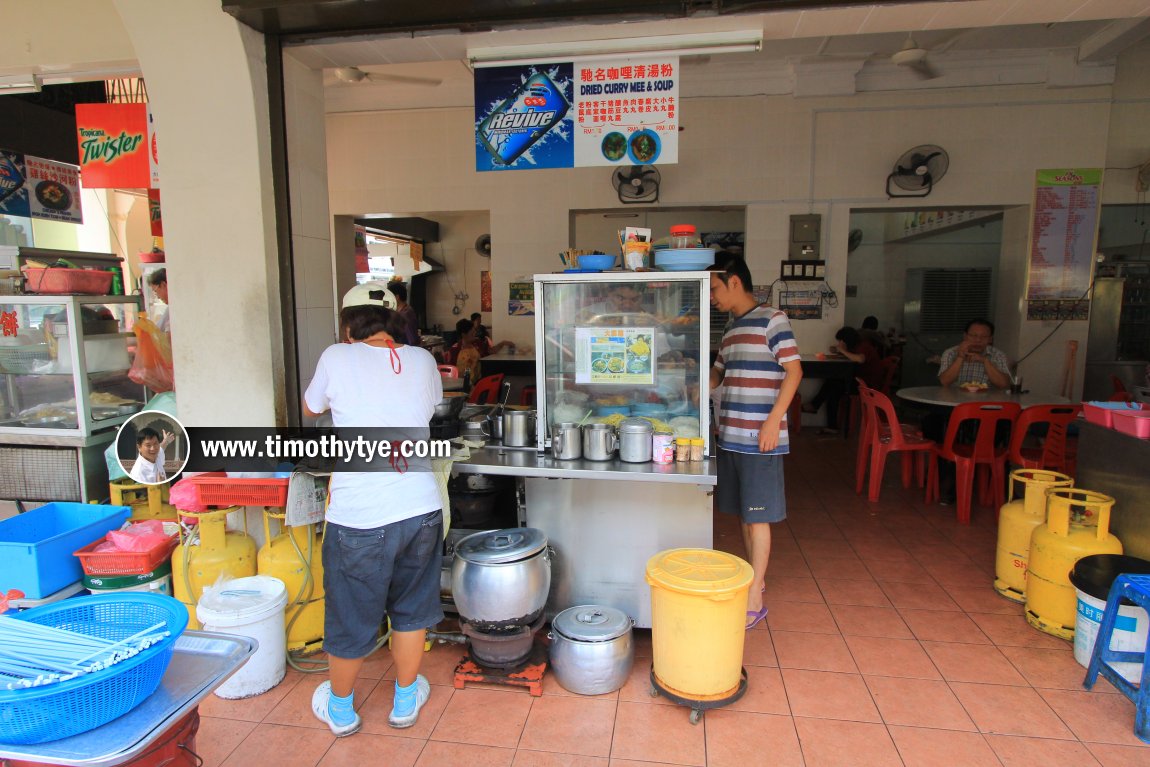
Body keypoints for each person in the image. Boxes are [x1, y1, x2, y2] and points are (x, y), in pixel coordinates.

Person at [303, 297, 443, 736]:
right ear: (393, 326)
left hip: (360, 515)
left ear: (348, 331)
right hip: (421, 508)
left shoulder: (336, 356)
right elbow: (431, 406)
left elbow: (312, 407)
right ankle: (405, 700)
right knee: (412, 607)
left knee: (350, 612)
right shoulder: (422, 359)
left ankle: (341, 709)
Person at [708, 259, 802, 630]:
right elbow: (720, 371)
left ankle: (754, 597)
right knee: (744, 515)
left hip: (760, 437)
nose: (712, 297)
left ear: (734, 282)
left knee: (758, 516)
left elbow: (794, 371)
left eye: (714, 288)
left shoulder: (772, 319)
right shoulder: (731, 327)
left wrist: (773, 421)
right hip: (730, 434)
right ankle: (755, 578)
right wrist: (697, 382)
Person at [803, 326, 884, 435]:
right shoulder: (856, 346)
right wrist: (838, 350)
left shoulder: (864, 346)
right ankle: (818, 410)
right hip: (859, 381)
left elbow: (860, 359)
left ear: (847, 340)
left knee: (834, 386)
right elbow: (853, 356)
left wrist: (841, 350)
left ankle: (818, 410)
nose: (840, 342)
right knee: (832, 383)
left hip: (867, 385)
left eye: (841, 341)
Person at [938, 318, 1011, 389]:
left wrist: (985, 361)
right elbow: (944, 382)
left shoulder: (998, 355)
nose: (978, 340)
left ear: (990, 339)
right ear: (965, 336)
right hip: (952, 399)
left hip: (986, 400)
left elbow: (1004, 385)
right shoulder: (951, 353)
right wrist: (960, 357)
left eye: (984, 337)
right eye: (973, 336)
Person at [446, 318, 513, 382]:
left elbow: (491, 351)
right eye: (472, 333)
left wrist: (503, 343)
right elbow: (450, 371)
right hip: (460, 385)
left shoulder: (478, 343)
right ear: (463, 334)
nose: (475, 333)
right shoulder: (454, 350)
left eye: (474, 331)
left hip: (478, 382)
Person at [389, 281, 420, 346]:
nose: (388, 300)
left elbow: (412, 340)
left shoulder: (405, 315)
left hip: (406, 351)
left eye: (389, 297)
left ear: (397, 297)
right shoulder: (402, 312)